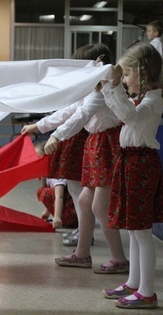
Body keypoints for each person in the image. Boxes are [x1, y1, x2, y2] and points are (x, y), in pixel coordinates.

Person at [41, 44, 129, 274]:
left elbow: (82, 115)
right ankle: (82, 255)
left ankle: (119, 258)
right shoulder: (94, 88)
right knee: (83, 202)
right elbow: (71, 110)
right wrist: (40, 126)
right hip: (97, 146)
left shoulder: (104, 89)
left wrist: (56, 136)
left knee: (100, 207)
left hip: (108, 147)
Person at [101, 43, 163, 309]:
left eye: (126, 74)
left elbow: (128, 116)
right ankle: (133, 283)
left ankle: (147, 291)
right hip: (130, 163)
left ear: (140, 72)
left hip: (141, 165)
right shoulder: (141, 99)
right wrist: (107, 89)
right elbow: (122, 113)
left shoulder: (152, 101)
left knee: (142, 232)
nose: (125, 80)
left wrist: (114, 88)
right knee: (133, 229)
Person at [35, 145, 78, 229]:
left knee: (45, 193)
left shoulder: (56, 175)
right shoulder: (48, 175)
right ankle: (63, 218)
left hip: (73, 212)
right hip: (69, 210)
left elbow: (59, 196)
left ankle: (64, 219)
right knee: (43, 191)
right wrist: (47, 212)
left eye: (39, 158)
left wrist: (57, 217)